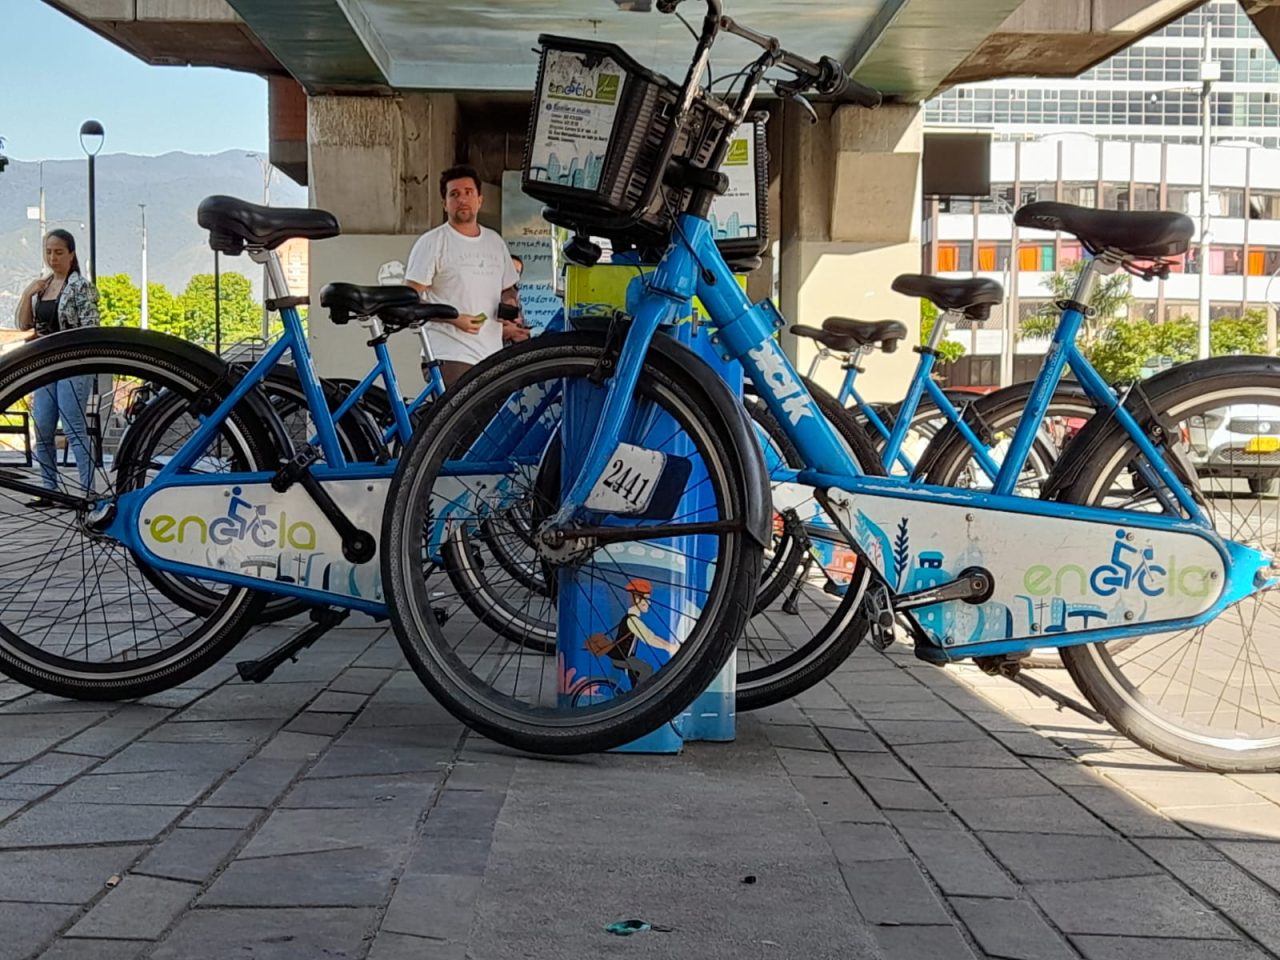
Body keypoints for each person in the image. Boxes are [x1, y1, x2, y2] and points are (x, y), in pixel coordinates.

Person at [404, 165, 529, 390]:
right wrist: (454, 318)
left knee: (489, 423)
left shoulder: (495, 242)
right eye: (454, 194)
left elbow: (508, 289)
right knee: (464, 423)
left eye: (468, 192)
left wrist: (510, 304)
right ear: (444, 204)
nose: (462, 199)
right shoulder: (433, 242)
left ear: (479, 200)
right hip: (449, 354)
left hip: (491, 355)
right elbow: (410, 298)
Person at [14, 229, 99, 505]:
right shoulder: (43, 286)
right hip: (46, 365)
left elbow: (91, 326)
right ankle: (48, 488)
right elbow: (24, 325)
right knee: (44, 427)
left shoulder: (80, 286)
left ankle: (88, 490)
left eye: (59, 252)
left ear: (71, 254)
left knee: (74, 427)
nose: (53, 257)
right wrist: (28, 293)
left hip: (73, 364)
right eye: (49, 251)